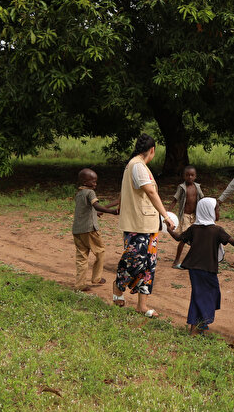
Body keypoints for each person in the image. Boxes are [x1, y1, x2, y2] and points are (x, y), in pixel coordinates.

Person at [169, 197, 234, 335]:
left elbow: (178, 238)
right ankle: (197, 327)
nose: (218, 212)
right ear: (208, 211)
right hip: (206, 269)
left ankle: (198, 325)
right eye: (216, 209)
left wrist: (169, 229)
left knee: (202, 295)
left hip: (195, 269)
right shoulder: (216, 230)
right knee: (206, 295)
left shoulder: (194, 228)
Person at [112, 134, 175, 317]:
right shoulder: (137, 166)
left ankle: (142, 305)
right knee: (135, 260)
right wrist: (166, 215)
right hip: (137, 224)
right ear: (152, 150)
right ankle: (117, 287)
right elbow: (150, 192)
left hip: (149, 224)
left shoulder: (137, 165)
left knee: (148, 266)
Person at [72, 168, 119, 291]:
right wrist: (112, 211)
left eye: (95, 181)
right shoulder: (90, 192)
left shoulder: (79, 194)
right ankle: (96, 278)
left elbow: (84, 209)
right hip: (90, 230)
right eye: (92, 181)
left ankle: (80, 284)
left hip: (77, 230)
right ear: (84, 181)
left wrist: (95, 213)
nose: (95, 184)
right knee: (100, 251)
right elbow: (96, 205)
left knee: (81, 258)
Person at [171, 165, 204, 269]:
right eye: (187, 175)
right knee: (184, 239)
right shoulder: (181, 187)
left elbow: (203, 200)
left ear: (195, 176)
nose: (190, 177)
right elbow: (175, 200)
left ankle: (195, 260)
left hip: (195, 216)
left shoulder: (197, 187)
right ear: (184, 176)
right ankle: (176, 261)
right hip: (185, 216)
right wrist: (167, 213)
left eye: (192, 175)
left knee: (196, 238)